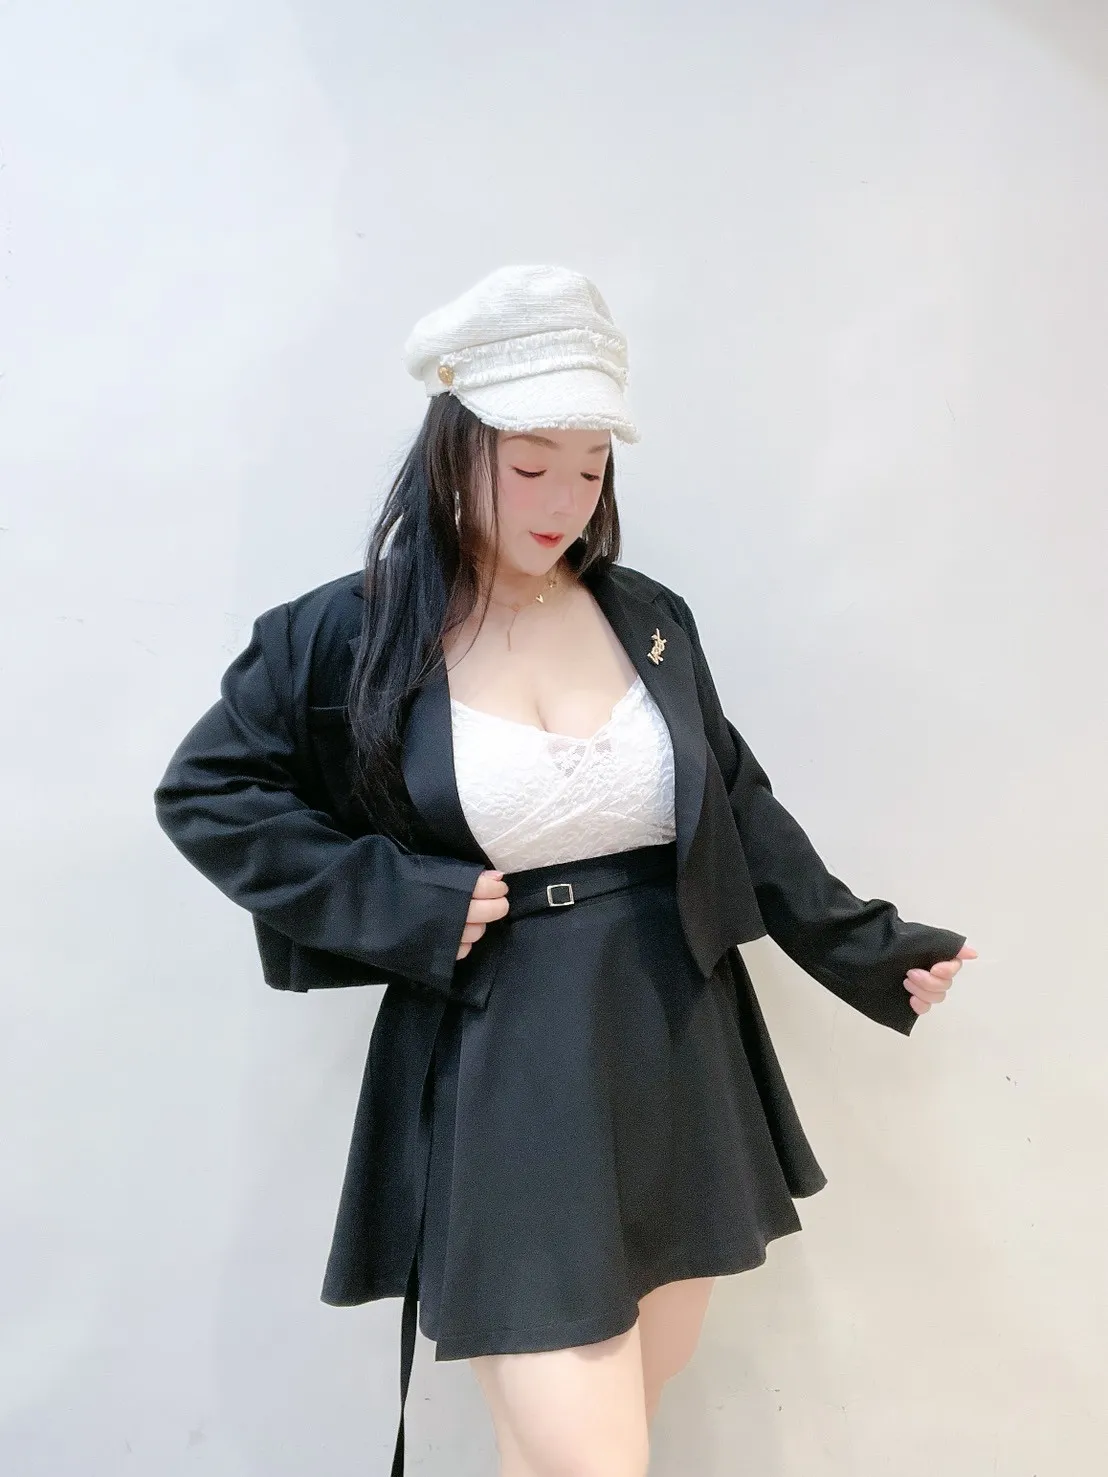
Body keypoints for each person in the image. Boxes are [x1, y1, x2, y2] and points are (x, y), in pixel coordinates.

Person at [153, 263, 975, 1477]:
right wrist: (402, 900)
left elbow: (733, 803)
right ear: (453, 451)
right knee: (593, 1451)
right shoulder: (347, 630)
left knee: (605, 1411)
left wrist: (864, 946)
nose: (563, 500)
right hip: (505, 1051)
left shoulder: (645, 615)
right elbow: (208, 792)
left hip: (673, 1030)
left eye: (589, 469)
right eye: (530, 465)